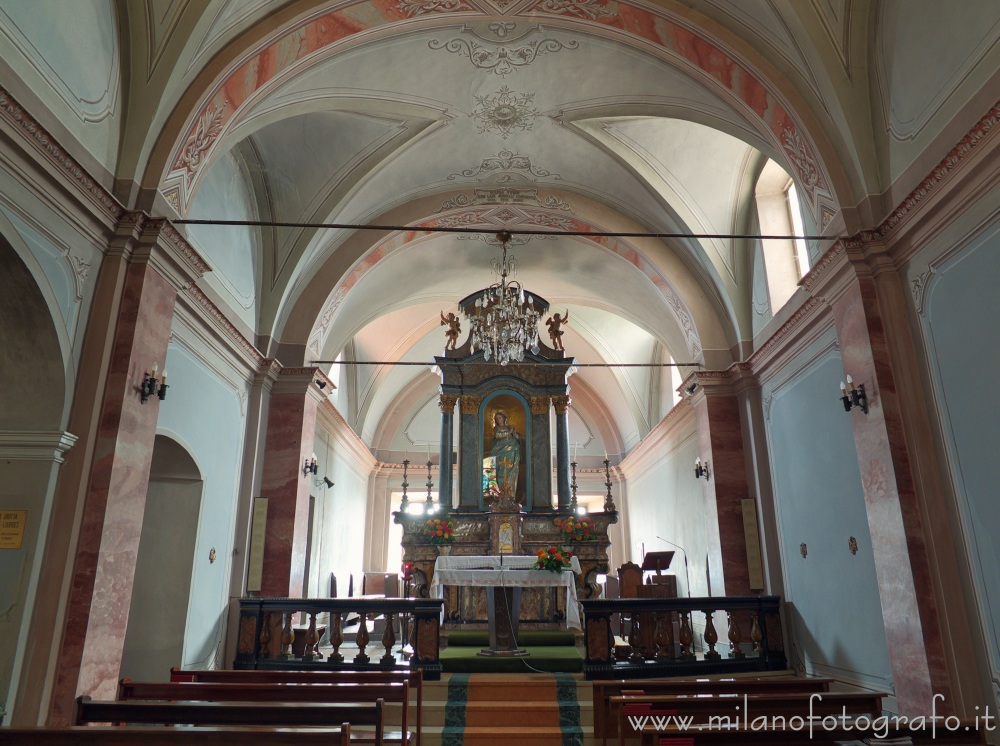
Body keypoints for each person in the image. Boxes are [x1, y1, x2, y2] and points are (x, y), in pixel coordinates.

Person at [489, 410, 522, 500]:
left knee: (510, 470)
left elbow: (516, 437)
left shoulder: (509, 427)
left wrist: (514, 432)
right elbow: (498, 436)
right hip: (499, 450)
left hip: (511, 451)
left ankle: (510, 495)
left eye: (500, 418)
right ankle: (499, 494)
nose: (499, 420)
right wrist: (510, 431)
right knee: (499, 470)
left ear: (504, 418)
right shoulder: (496, 428)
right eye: (497, 419)